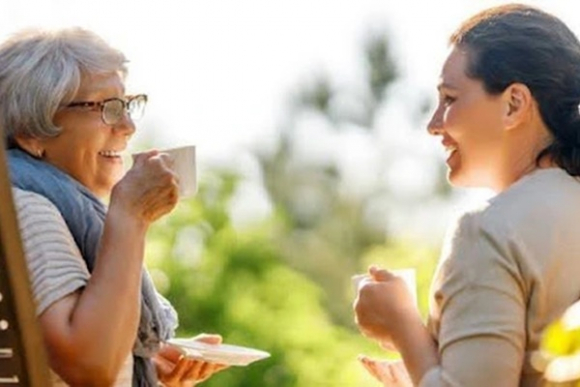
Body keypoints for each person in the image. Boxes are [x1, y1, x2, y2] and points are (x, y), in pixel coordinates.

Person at [354, 4, 580, 386]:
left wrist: (402, 326)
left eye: (450, 99)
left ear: (514, 104)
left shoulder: (486, 231)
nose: (433, 124)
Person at [1, 27, 227, 386]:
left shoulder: (51, 207)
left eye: (127, 104)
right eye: (106, 107)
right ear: (33, 133)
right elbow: (89, 367)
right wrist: (131, 215)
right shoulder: (25, 211)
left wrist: (142, 369)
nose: (128, 126)